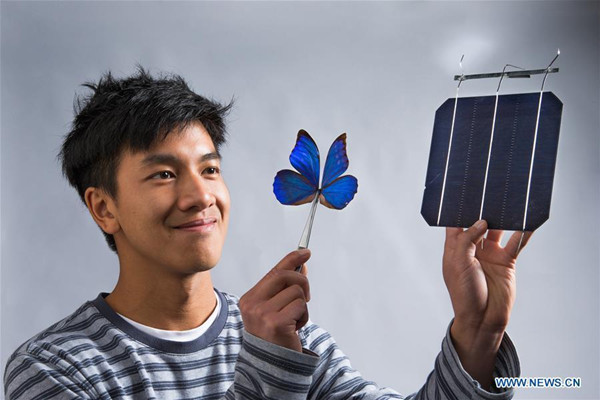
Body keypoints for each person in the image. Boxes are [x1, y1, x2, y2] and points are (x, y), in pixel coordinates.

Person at [4, 68, 530, 399]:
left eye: (209, 169)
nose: (199, 195)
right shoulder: (57, 368)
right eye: (164, 174)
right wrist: (269, 371)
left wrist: (477, 335)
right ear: (103, 208)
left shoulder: (287, 337)